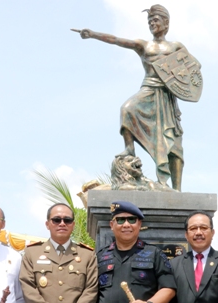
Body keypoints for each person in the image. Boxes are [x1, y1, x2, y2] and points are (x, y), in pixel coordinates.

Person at [77, 4, 186, 190]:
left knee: (172, 144)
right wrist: (93, 34)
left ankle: (177, 188)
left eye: (156, 20)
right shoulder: (144, 45)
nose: (152, 23)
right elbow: (116, 40)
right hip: (149, 89)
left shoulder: (176, 47)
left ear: (166, 23)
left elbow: (191, 70)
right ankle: (130, 148)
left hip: (167, 95)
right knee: (127, 109)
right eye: (149, 21)